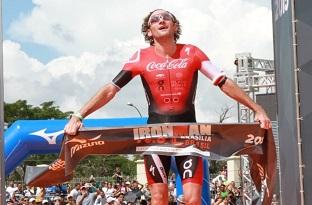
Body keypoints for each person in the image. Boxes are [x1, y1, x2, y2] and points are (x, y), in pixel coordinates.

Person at [65, 9, 271, 205]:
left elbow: (223, 81)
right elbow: (111, 89)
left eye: (166, 18)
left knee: (192, 199)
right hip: (155, 134)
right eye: (154, 20)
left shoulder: (192, 52)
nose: (161, 21)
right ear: (148, 31)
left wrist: (256, 108)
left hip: (190, 134)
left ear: (175, 26)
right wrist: (79, 115)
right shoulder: (140, 57)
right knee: (159, 198)